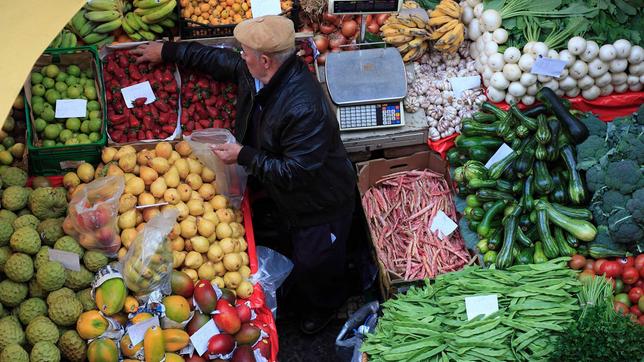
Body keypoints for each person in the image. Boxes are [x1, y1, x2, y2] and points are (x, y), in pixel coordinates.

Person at [132, 15, 357, 334]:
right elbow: (220, 59)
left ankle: (323, 309)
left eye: (246, 51)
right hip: (287, 195)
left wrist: (244, 155)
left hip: (320, 203)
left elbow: (295, 173)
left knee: (317, 262)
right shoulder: (262, 73)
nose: (241, 56)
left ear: (264, 60)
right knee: (295, 247)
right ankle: (303, 287)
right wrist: (169, 51)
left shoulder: (303, 107)